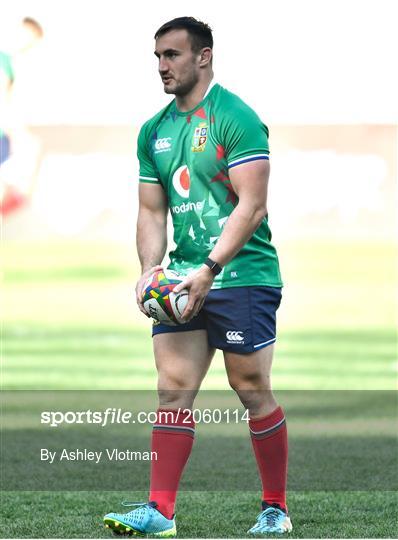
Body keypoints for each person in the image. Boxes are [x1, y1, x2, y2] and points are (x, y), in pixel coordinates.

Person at [104, 16, 291, 536]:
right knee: (173, 388)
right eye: (158, 57)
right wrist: (148, 270)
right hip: (182, 280)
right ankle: (160, 513)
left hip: (243, 275)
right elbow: (149, 211)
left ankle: (274, 508)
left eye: (173, 55)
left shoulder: (237, 117)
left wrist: (210, 269)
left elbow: (252, 207)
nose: (162, 66)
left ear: (203, 56)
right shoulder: (154, 131)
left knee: (250, 387)